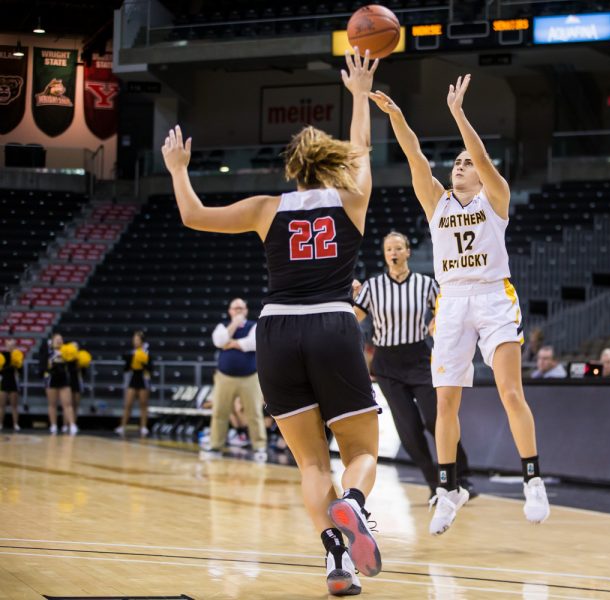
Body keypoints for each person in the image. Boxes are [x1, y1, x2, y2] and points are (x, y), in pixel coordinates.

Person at [162, 48, 381, 597]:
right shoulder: (352, 198)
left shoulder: (266, 208)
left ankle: (337, 559)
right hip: (332, 324)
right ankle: (353, 506)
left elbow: (193, 216)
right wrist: (357, 94)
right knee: (360, 453)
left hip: (277, 331)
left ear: (292, 169)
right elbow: (363, 148)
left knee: (310, 462)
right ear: (332, 163)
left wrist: (179, 171)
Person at [370, 75, 550, 536]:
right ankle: (449, 489)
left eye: (467, 163)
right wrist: (396, 116)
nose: (461, 165)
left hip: (492, 295)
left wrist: (458, 115)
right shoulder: (437, 203)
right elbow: (414, 155)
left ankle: (532, 478)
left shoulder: (496, 198)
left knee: (511, 391)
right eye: (457, 161)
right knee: (445, 404)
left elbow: (484, 158)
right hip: (452, 302)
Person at [353, 231, 474, 497]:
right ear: (385, 255)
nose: (393, 253)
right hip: (386, 364)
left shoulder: (426, 284)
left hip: (419, 358)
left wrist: (436, 322)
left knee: (436, 420)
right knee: (409, 430)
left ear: (408, 252)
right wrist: (343, 295)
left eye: (398, 248)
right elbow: (353, 317)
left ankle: (462, 474)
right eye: (388, 249)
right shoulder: (371, 288)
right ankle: (436, 484)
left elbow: (445, 311)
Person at [206, 298, 268, 463]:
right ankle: (215, 445)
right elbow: (219, 341)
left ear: (246, 310)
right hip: (224, 377)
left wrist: (231, 343)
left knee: (254, 413)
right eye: (235, 308)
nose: (239, 311)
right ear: (230, 311)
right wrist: (233, 325)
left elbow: (253, 343)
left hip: (250, 377)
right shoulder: (223, 326)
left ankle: (259, 446)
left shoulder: (254, 326)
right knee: (220, 412)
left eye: (241, 308)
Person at [116, 331, 152, 438]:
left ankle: (143, 427)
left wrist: (143, 361)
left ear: (142, 341)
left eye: (137, 340)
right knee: (128, 404)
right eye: (134, 340)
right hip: (133, 378)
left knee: (143, 404)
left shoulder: (146, 353)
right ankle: (122, 425)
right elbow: (125, 366)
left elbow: (150, 368)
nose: (135, 342)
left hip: (143, 379)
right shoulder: (131, 353)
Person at [42, 333, 77, 435]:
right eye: (57, 339)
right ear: (52, 341)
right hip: (51, 378)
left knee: (67, 404)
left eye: (61, 339)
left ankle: (72, 425)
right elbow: (43, 365)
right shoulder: (48, 352)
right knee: (52, 404)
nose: (59, 340)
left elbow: (72, 366)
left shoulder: (66, 351)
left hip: (63, 379)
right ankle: (53, 425)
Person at [0, 339, 24, 432]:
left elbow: (20, 370)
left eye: (12, 345)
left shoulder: (17, 355)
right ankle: (0, 423)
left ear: (15, 346)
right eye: (9, 345)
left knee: (14, 405)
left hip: (14, 381)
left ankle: (15, 424)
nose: (10, 347)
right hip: (4, 381)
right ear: (5, 345)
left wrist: (17, 364)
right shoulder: (2, 355)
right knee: (1, 405)